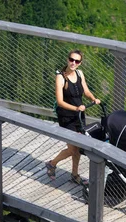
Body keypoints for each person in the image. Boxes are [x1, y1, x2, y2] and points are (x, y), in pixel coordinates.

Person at [46, 50, 101, 185]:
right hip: (66, 116)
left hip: (79, 114)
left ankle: (75, 174)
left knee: (78, 147)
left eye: (77, 61)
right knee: (72, 149)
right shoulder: (61, 77)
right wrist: (76, 108)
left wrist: (94, 99)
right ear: (67, 59)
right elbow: (60, 101)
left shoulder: (79, 73)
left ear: (80, 63)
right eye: (71, 59)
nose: (73, 63)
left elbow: (86, 91)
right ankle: (52, 163)